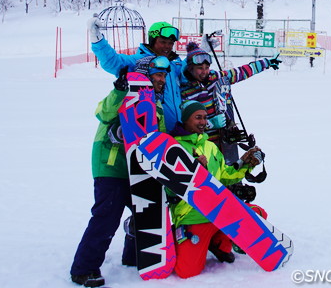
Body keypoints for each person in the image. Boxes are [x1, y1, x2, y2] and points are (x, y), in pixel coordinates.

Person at [70, 55, 170, 287]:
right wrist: (118, 91)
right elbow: (102, 114)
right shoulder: (125, 93)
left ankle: (133, 256)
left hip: (139, 167)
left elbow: (159, 136)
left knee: (145, 214)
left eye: (164, 76)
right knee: (107, 216)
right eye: (157, 75)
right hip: (111, 165)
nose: (161, 80)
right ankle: (84, 269)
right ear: (145, 75)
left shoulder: (155, 103)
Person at [169, 100, 265, 279]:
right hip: (192, 215)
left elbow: (225, 175)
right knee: (186, 272)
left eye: (205, 118)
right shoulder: (174, 147)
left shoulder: (210, 146)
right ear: (185, 120)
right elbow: (169, 188)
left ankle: (219, 241)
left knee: (258, 215)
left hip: (219, 212)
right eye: (198, 117)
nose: (203, 122)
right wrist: (192, 174)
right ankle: (191, 240)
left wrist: (246, 163)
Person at [89, 19, 184, 131]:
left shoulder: (174, 64)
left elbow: (193, 70)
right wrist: (98, 40)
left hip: (177, 131)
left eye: (170, 43)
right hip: (150, 130)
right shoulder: (139, 62)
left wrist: (203, 51)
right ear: (153, 41)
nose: (167, 47)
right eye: (163, 42)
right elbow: (113, 62)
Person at [180, 40, 280, 136]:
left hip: (223, 138)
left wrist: (266, 63)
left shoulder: (215, 78)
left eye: (207, 68)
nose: (204, 72)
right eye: (200, 68)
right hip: (202, 142)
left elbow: (240, 72)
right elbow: (187, 124)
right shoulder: (186, 92)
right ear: (190, 68)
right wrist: (210, 124)